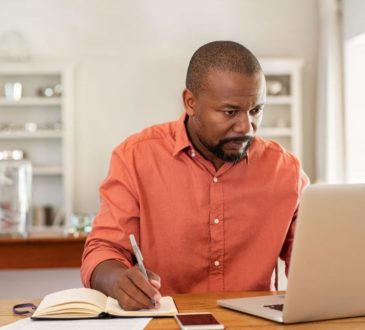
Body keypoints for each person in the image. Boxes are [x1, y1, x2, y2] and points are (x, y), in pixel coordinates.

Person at [81, 41, 309, 311]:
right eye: (230, 112)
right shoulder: (135, 158)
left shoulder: (286, 171)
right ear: (190, 102)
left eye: (256, 110)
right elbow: (103, 249)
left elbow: (313, 263)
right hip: (164, 322)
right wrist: (117, 279)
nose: (246, 127)